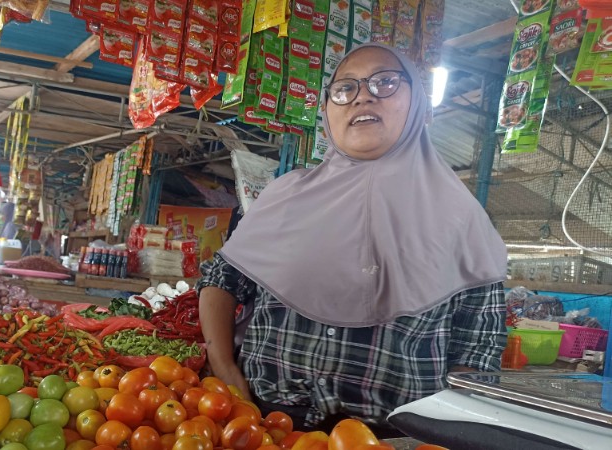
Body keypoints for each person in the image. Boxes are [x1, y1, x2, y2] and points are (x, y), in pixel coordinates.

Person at [197, 43, 508, 435]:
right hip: (265, 425)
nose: (363, 96)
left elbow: (478, 344)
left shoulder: (462, 218)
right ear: (327, 110)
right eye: (345, 88)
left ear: (419, 104)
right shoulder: (285, 197)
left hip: (393, 436)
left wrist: (443, 432)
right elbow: (221, 279)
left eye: (385, 82)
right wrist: (225, 369)